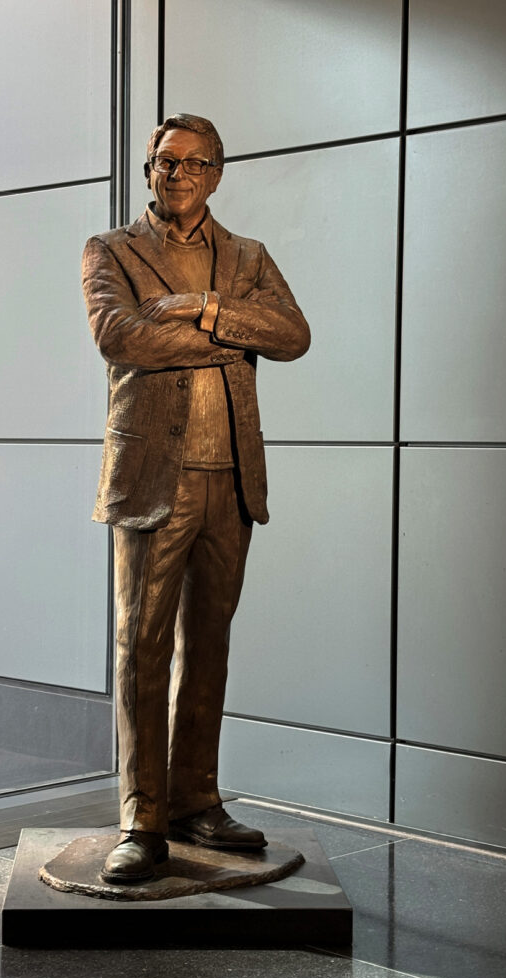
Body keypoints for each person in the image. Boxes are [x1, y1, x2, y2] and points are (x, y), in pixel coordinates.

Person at [82, 113, 310, 883]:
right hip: (153, 479)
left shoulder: (247, 257)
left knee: (209, 645)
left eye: (192, 162)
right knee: (142, 649)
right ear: (148, 169)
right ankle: (141, 820)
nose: (176, 174)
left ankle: (194, 800)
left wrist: (201, 307)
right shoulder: (111, 250)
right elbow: (122, 338)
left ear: (216, 173)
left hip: (231, 479)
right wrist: (236, 336)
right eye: (164, 161)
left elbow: (293, 334)